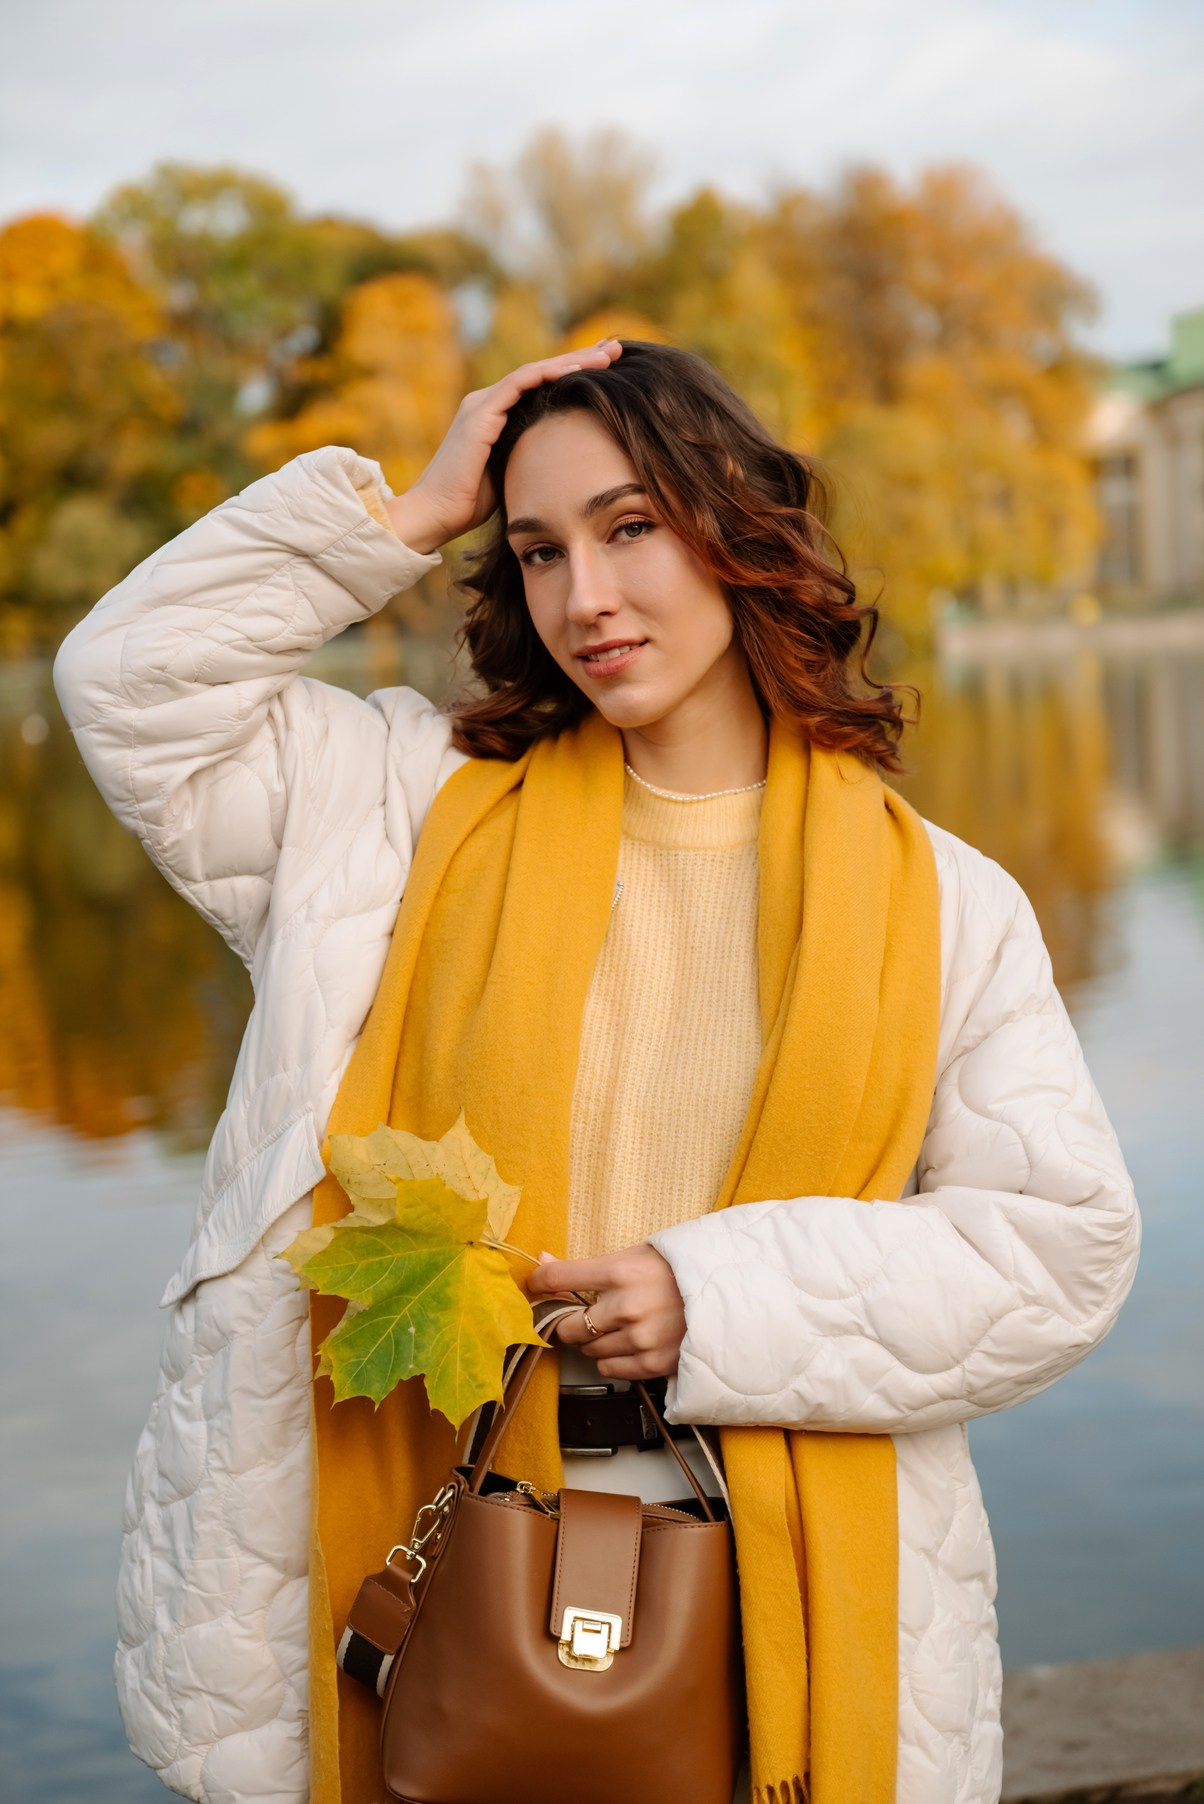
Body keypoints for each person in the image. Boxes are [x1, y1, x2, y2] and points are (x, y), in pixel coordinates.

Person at [54, 338, 1139, 1804]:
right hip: (424, 1551)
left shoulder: (946, 903)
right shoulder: (387, 815)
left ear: (737, 529)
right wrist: (407, 506)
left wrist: (716, 1294)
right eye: (539, 548)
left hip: (778, 1579)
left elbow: (1054, 1254)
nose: (588, 597)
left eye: (632, 527)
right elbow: (127, 683)